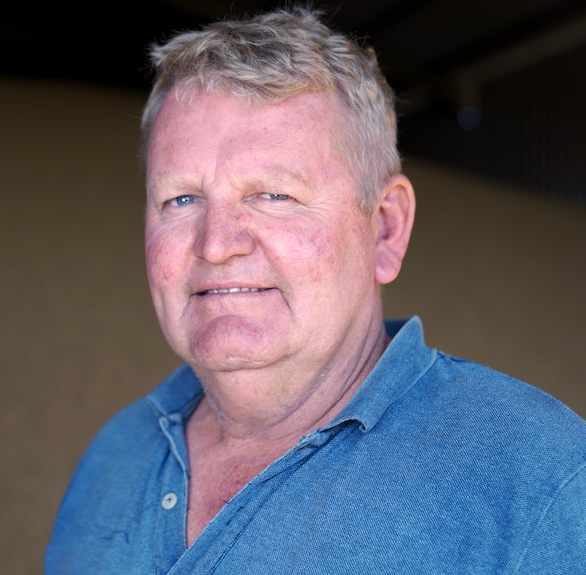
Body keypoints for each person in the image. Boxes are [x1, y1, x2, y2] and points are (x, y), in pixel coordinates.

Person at [45, 5, 586, 574]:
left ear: (385, 228)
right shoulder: (116, 455)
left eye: (273, 195)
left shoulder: (540, 477)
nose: (216, 244)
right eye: (181, 199)